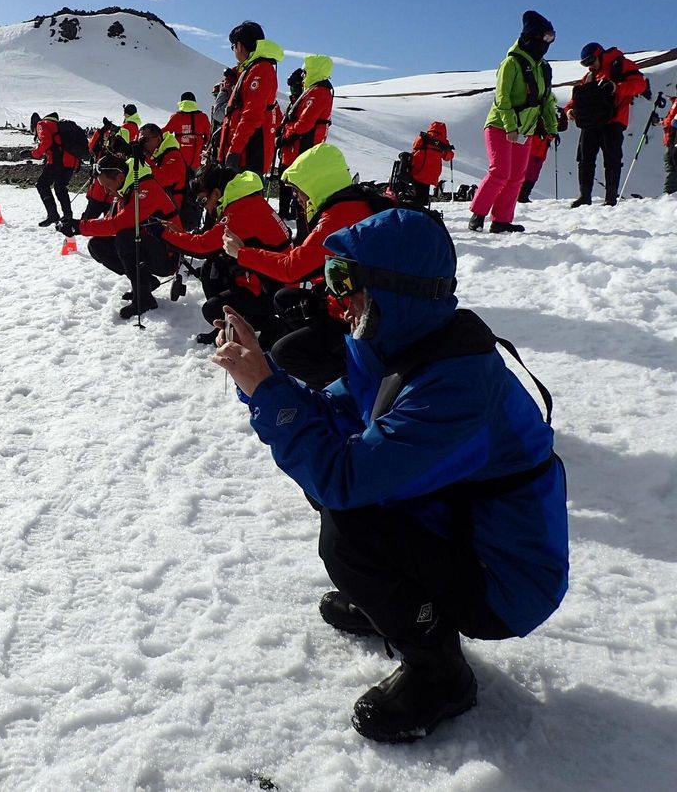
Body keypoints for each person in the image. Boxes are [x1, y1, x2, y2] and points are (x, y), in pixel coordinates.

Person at [211, 207, 568, 743]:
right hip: (457, 525)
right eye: (334, 278)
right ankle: (398, 602)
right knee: (341, 492)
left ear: (398, 290)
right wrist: (264, 377)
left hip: (506, 579)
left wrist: (267, 392)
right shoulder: (398, 348)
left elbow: (344, 477)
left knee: (348, 526)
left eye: (347, 281)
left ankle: (439, 671)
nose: (338, 297)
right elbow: (334, 418)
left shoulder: (455, 386)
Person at [222, 143, 383, 389]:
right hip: (359, 304)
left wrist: (241, 253)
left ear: (316, 184)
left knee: (285, 353)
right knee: (286, 298)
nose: (297, 199)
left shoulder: (338, 217)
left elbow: (292, 268)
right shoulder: (354, 204)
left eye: (299, 192)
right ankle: (329, 357)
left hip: (364, 319)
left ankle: (345, 385)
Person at [158, 165, 291, 343]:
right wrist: (176, 234)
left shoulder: (241, 211)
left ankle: (268, 325)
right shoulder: (244, 200)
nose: (204, 207)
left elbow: (202, 246)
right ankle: (227, 326)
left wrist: (163, 234)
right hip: (268, 279)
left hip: (273, 290)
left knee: (211, 309)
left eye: (203, 201)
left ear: (216, 193)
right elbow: (209, 240)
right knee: (212, 267)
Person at [57, 154, 180, 319]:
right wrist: (78, 226)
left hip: (169, 256)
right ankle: (145, 283)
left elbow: (118, 224)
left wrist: (78, 226)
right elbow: (109, 223)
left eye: (107, 186)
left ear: (120, 176)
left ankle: (144, 299)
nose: (106, 192)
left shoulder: (145, 189)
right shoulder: (125, 192)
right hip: (151, 249)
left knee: (125, 238)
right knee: (97, 245)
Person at [468, 10, 558, 234]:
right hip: (500, 126)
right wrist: (510, 126)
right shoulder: (511, 63)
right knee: (500, 172)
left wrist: (551, 128)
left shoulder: (543, 68)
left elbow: (546, 100)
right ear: (533, 36)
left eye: (551, 38)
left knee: (517, 176)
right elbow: (502, 98)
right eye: (546, 37)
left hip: (524, 130)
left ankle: (501, 220)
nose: (548, 43)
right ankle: (477, 215)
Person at [563, 42, 648, 208]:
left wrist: (617, 87)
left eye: (591, 61)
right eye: (585, 63)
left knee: (612, 159)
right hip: (591, 121)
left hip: (613, 121)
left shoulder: (621, 65)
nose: (590, 66)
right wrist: (569, 110)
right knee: (585, 159)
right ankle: (584, 196)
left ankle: (610, 198)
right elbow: (579, 98)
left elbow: (640, 85)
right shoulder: (589, 76)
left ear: (600, 54)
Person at [219, 21, 283, 174]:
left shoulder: (261, 70)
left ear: (239, 46)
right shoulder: (254, 69)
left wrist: (234, 151)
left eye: (233, 47)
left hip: (248, 155)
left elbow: (251, 115)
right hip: (243, 153)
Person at [277, 56, 335, 220]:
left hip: (302, 148)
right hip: (296, 148)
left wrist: (285, 137)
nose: (303, 76)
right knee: (291, 185)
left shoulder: (318, 92)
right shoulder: (315, 91)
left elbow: (304, 123)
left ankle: (302, 231)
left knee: (300, 192)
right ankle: (293, 221)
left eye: (305, 72)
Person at [140, 122, 198, 230]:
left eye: (145, 140)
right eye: (140, 141)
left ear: (157, 139)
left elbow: (162, 179)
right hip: (162, 214)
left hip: (175, 218)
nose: (143, 145)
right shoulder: (157, 156)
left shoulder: (173, 155)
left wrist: (143, 158)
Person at [28, 111, 79, 227]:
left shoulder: (41, 124)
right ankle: (67, 215)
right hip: (71, 163)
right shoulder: (57, 126)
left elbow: (46, 141)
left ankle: (53, 214)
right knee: (60, 187)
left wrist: (33, 154)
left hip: (57, 162)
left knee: (42, 185)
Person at [407, 122, 454, 207]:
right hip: (431, 173)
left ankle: (413, 207)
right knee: (423, 193)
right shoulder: (443, 142)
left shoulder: (422, 137)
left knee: (417, 192)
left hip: (418, 168)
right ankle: (419, 209)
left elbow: (415, 146)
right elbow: (447, 157)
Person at [162, 92, 212, 171]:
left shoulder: (176, 117)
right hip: (196, 162)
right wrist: (203, 143)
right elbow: (209, 135)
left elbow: (164, 133)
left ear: (181, 103)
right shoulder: (202, 117)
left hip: (180, 162)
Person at [664, 95, 677, 197]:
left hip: (673, 139)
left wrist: (666, 122)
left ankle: (669, 194)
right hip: (671, 139)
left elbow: (673, 122)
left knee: (672, 164)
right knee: (671, 163)